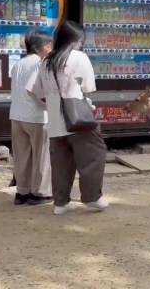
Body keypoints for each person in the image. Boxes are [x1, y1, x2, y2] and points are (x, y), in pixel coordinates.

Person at [26, 21, 108, 215]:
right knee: (94, 155)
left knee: (61, 163)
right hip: (78, 120)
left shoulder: (45, 60)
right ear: (76, 40)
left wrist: (54, 104)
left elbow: (34, 91)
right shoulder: (79, 57)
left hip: (54, 122)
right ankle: (92, 197)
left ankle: (60, 203)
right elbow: (89, 88)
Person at [9, 30, 53, 205]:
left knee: (22, 156)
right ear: (43, 47)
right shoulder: (41, 63)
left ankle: (22, 192)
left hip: (16, 115)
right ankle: (40, 192)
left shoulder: (18, 64)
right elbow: (39, 91)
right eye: (50, 46)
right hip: (37, 116)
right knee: (42, 156)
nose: (51, 49)